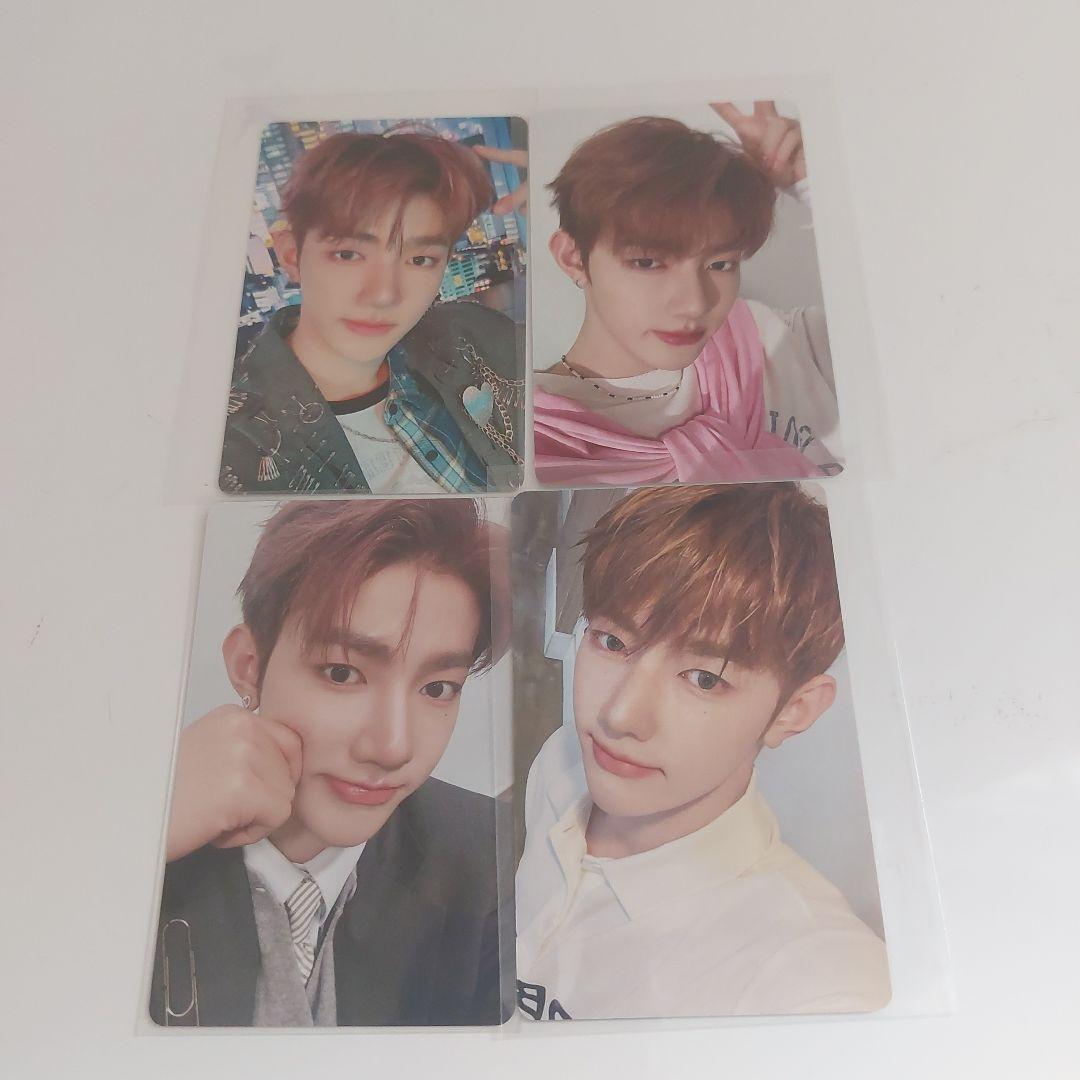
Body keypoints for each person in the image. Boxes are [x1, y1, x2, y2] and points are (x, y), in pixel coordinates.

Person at [515, 484, 890, 1020]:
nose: (619, 715)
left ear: (793, 710)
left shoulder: (814, 981)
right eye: (613, 642)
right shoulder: (565, 764)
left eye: (704, 679)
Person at [150, 499, 512, 1027]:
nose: (392, 747)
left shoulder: (492, 861)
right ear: (250, 667)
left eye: (437, 688)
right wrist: (137, 844)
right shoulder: (137, 837)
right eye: (342, 673)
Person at [532, 102, 842, 487]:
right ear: (573, 257)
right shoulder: (532, 442)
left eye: (720, 264)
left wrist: (814, 182)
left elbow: (909, 320)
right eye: (648, 263)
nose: (695, 303)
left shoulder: (779, 342)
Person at [220, 129, 525, 495]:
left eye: (419, 259)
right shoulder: (227, 441)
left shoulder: (474, 338)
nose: (384, 294)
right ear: (291, 255)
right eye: (348, 254)